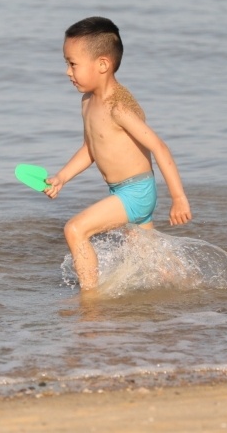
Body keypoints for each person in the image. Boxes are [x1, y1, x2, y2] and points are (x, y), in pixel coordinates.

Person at [44, 16, 193, 291]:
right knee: (150, 256)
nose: (67, 72)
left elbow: (159, 147)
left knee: (75, 229)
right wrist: (62, 177)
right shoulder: (88, 102)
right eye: (67, 63)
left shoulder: (118, 107)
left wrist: (178, 198)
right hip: (122, 191)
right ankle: (191, 288)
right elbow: (91, 147)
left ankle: (90, 300)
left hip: (136, 192)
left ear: (102, 64)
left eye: (72, 64)